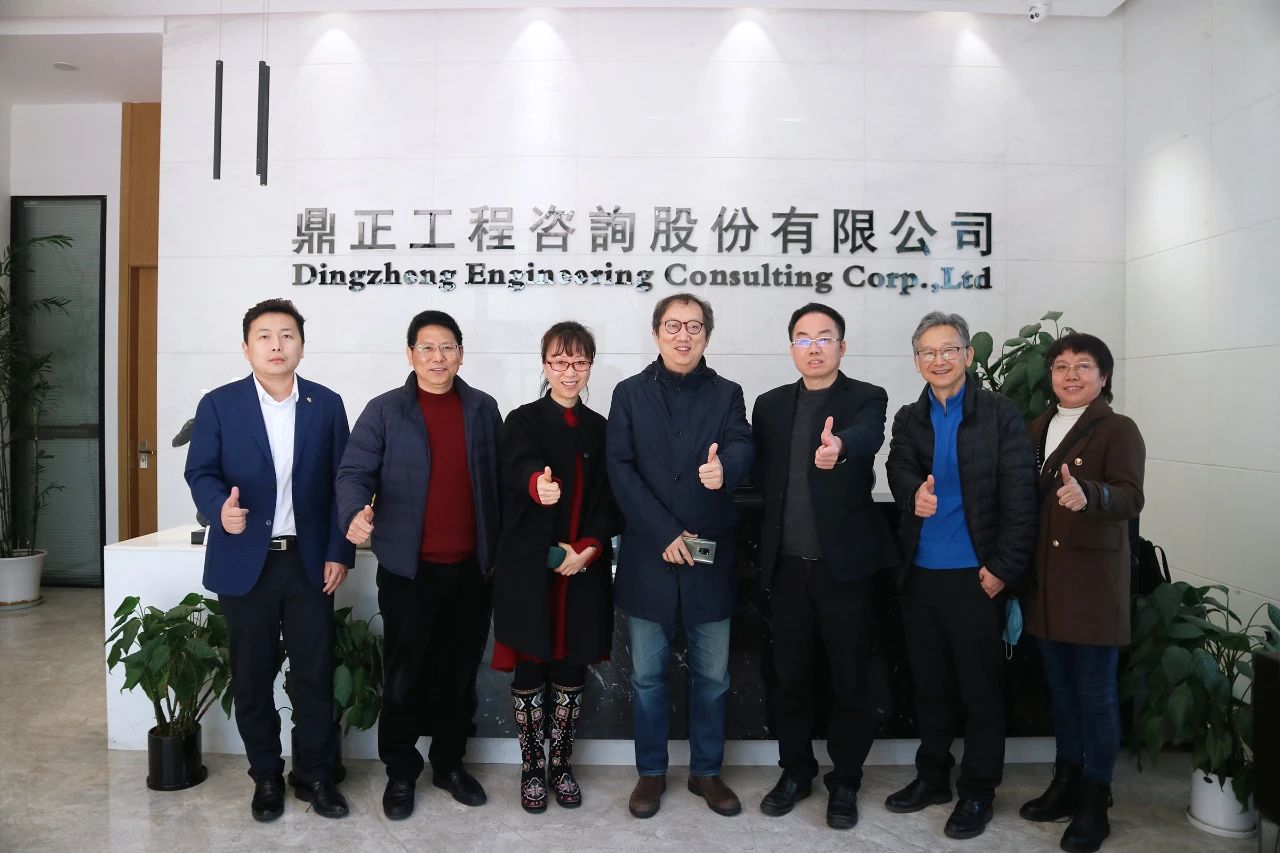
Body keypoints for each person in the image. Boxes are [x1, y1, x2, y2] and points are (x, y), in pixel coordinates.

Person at [184, 298, 353, 821]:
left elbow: (344, 484)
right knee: (253, 677)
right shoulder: (220, 404)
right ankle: (265, 776)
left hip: (308, 563)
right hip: (245, 563)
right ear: (246, 347)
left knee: (314, 675)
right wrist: (220, 510)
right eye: (264, 336)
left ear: (301, 345)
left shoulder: (327, 404)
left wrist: (339, 551)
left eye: (286, 335)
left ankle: (315, 775)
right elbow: (200, 472)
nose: (276, 345)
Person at [335, 309, 502, 820]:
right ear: (410, 355)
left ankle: (449, 764)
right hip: (410, 572)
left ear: (461, 354)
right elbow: (354, 472)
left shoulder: (482, 408)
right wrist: (354, 513)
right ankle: (401, 772)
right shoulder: (385, 410)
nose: (437, 357)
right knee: (405, 675)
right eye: (426, 347)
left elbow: (500, 480)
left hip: (471, 571)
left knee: (458, 674)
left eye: (447, 346)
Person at [885, 311, 1036, 840]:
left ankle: (978, 791)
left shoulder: (1001, 414)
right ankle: (933, 779)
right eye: (927, 352)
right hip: (920, 575)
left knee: (979, 692)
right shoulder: (910, 417)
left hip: (977, 576)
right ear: (917, 361)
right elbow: (897, 466)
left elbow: (1021, 499)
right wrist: (912, 493)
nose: (939, 360)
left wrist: (1002, 570)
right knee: (930, 688)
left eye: (949, 349)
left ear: (968, 355)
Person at [750, 303, 898, 829]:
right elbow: (759, 472)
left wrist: (841, 447)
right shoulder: (769, 406)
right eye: (803, 338)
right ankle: (795, 771)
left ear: (842, 345)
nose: (813, 348)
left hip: (845, 569)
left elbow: (868, 435)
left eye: (824, 338)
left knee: (849, 677)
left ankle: (846, 779)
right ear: (791, 347)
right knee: (790, 678)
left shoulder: (867, 397)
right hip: (787, 567)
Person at [607, 293, 754, 820]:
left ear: (707, 335)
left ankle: (706, 772)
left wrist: (726, 468)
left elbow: (742, 443)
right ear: (656, 333)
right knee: (647, 679)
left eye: (694, 326)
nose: (683, 335)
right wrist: (665, 531)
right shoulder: (629, 393)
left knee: (713, 678)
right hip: (649, 556)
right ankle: (650, 773)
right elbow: (619, 468)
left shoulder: (728, 393)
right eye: (673, 326)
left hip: (709, 560)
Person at [1018, 333, 1144, 853]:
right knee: (1062, 690)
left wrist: (1091, 494)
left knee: (1096, 693)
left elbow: (1131, 497)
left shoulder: (1118, 428)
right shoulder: (1037, 426)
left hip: (1092, 585)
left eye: (1083, 366)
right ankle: (1066, 780)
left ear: (1103, 376)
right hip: (1046, 583)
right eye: (1061, 366)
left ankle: (1096, 796)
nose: (1071, 375)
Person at [490, 321, 622, 813]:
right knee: (530, 669)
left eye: (579, 361)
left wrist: (588, 547)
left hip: (583, 571)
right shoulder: (522, 421)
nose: (570, 371)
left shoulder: (602, 428)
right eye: (560, 361)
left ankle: (561, 766)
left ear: (590, 366)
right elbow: (518, 470)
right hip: (531, 573)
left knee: (571, 669)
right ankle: (531, 768)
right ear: (544, 365)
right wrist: (537, 486)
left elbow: (612, 498)